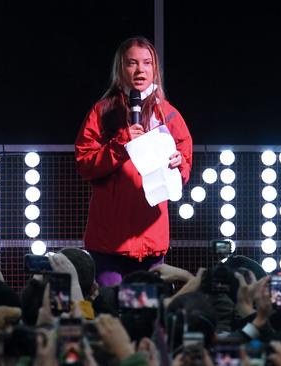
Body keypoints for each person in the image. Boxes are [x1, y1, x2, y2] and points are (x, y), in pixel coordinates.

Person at [75, 36, 193, 287]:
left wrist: (178, 164)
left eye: (147, 63)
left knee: (146, 318)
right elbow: (85, 163)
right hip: (109, 244)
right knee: (112, 315)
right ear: (121, 68)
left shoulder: (169, 114)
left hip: (151, 243)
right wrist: (121, 144)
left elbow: (185, 164)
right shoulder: (102, 112)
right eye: (132, 63)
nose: (140, 70)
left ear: (154, 68)